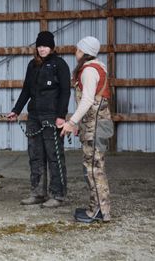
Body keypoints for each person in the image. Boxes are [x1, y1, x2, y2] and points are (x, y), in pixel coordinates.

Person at [7, 31, 71, 208]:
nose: (42, 49)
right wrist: (16, 110)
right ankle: (38, 193)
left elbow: (66, 91)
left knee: (54, 156)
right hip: (34, 116)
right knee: (35, 156)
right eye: (40, 46)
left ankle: (58, 194)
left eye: (45, 46)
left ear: (52, 47)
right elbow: (26, 90)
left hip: (51, 117)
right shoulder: (32, 65)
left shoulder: (60, 65)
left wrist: (61, 116)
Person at [60, 36, 114, 223]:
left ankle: (99, 211)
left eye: (78, 49)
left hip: (96, 126)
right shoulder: (97, 67)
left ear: (84, 52)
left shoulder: (89, 71)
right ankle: (97, 208)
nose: (76, 52)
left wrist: (72, 122)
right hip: (94, 125)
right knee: (94, 167)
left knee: (94, 169)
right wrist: (79, 124)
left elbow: (88, 100)